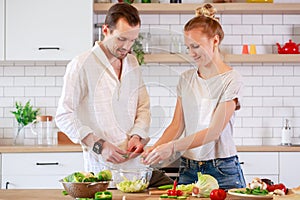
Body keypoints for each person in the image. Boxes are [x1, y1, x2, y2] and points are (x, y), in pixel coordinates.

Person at [142, 4, 246, 190]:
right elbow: (176, 125)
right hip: (189, 169)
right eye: (188, 47)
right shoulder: (186, 79)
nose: (191, 53)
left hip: (222, 169)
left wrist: (172, 147)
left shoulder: (231, 79)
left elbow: (214, 132)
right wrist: (156, 148)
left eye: (196, 46)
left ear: (215, 41)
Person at [55, 3, 151, 173]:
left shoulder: (132, 62)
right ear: (106, 30)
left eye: (132, 40)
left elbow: (143, 106)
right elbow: (64, 116)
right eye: (121, 39)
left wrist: (137, 135)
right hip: (100, 171)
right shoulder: (81, 64)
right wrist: (99, 145)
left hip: (134, 169)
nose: (127, 47)